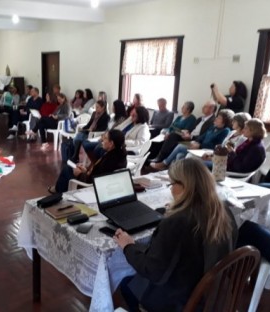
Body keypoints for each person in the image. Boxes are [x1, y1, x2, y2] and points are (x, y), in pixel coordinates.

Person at [115, 158, 237, 312]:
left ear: (185, 187)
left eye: (172, 184)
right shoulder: (223, 211)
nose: (171, 189)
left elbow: (153, 271)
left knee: (126, 284)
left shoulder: (176, 223)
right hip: (214, 295)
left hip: (183, 302)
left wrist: (128, 246)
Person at [48, 129, 127, 193]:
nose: (102, 140)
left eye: (105, 138)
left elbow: (94, 180)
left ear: (111, 143)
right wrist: (85, 171)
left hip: (92, 187)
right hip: (104, 183)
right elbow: (97, 173)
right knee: (69, 169)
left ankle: (59, 194)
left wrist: (80, 174)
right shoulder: (120, 155)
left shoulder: (109, 160)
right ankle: (59, 189)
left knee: (66, 170)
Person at [151, 109, 233, 170]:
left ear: (224, 121)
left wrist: (200, 145)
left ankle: (164, 163)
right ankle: (176, 174)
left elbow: (216, 146)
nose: (216, 119)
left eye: (218, 118)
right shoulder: (213, 127)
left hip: (207, 152)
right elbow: (202, 137)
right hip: (199, 148)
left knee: (180, 146)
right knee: (179, 155)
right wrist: (195, 142)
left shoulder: (225, 131)